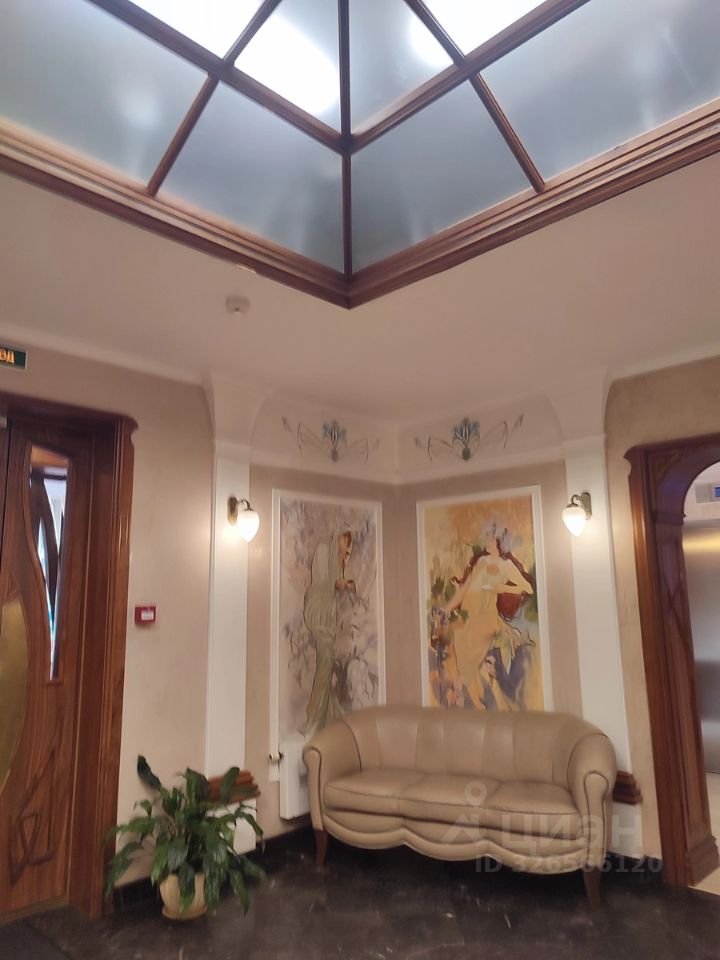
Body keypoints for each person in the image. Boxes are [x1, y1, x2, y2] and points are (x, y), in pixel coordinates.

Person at [440, 525, 534, 710]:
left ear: (499, 542)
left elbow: (528, 588)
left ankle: (472, 695)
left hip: (485, 616)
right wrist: (447, 609)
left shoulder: (506, 566)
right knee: (459, 642)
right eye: (487, 538)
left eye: (491, 539)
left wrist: (502, 588)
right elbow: (465, 589)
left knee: (474, 649)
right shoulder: (482, 560)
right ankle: (470, 698)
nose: (487, 542)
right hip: (468, 614)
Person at [302, 530, 356, 735]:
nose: (344, 548)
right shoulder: (324, 551)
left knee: (327, 663)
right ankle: (315, 719)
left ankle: (325, 716)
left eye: (347, 545)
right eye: (344, 541)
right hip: (319, 611)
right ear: (338, 538)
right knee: (325, 661)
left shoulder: (337, 560)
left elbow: (337, 583)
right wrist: (340, 583)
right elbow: (324, 580)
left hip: (328, 617)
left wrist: (346, 582)